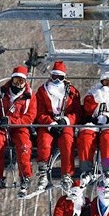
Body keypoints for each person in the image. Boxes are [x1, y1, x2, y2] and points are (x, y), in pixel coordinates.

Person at [0, 65, 38, 197]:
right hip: (2, 127)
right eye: (15, 81)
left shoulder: (29, 96)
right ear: (12, 80)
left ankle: (25, 176)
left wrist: (12, 121)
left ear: (25, 82)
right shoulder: (1, 92)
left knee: (24, 146)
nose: (18, 84)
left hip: (20, 128)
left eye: (21, 81)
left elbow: (30, 116)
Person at [33, 61, 83, 191]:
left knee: (67, 141)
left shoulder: (71, 92)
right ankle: (43, 171)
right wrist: (50, 123)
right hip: (48, 123)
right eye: (54, 77)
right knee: (44, 141)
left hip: (64, 123)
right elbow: (39, 111)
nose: (56, 80)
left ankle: (67, 174)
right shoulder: (42, 91)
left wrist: (66, 120)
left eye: (60, 78)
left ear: (64, 78)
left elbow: (77, 112)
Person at [80, 70, 109, 176]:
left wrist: (108, 118)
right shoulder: (93, 95)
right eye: (105, 83)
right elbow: (87, 109)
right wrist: (96, 99)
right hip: (93, 124)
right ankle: (86, 168)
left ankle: (108, 167)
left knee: (107, 139)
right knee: (86, 136)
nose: (107, 86)